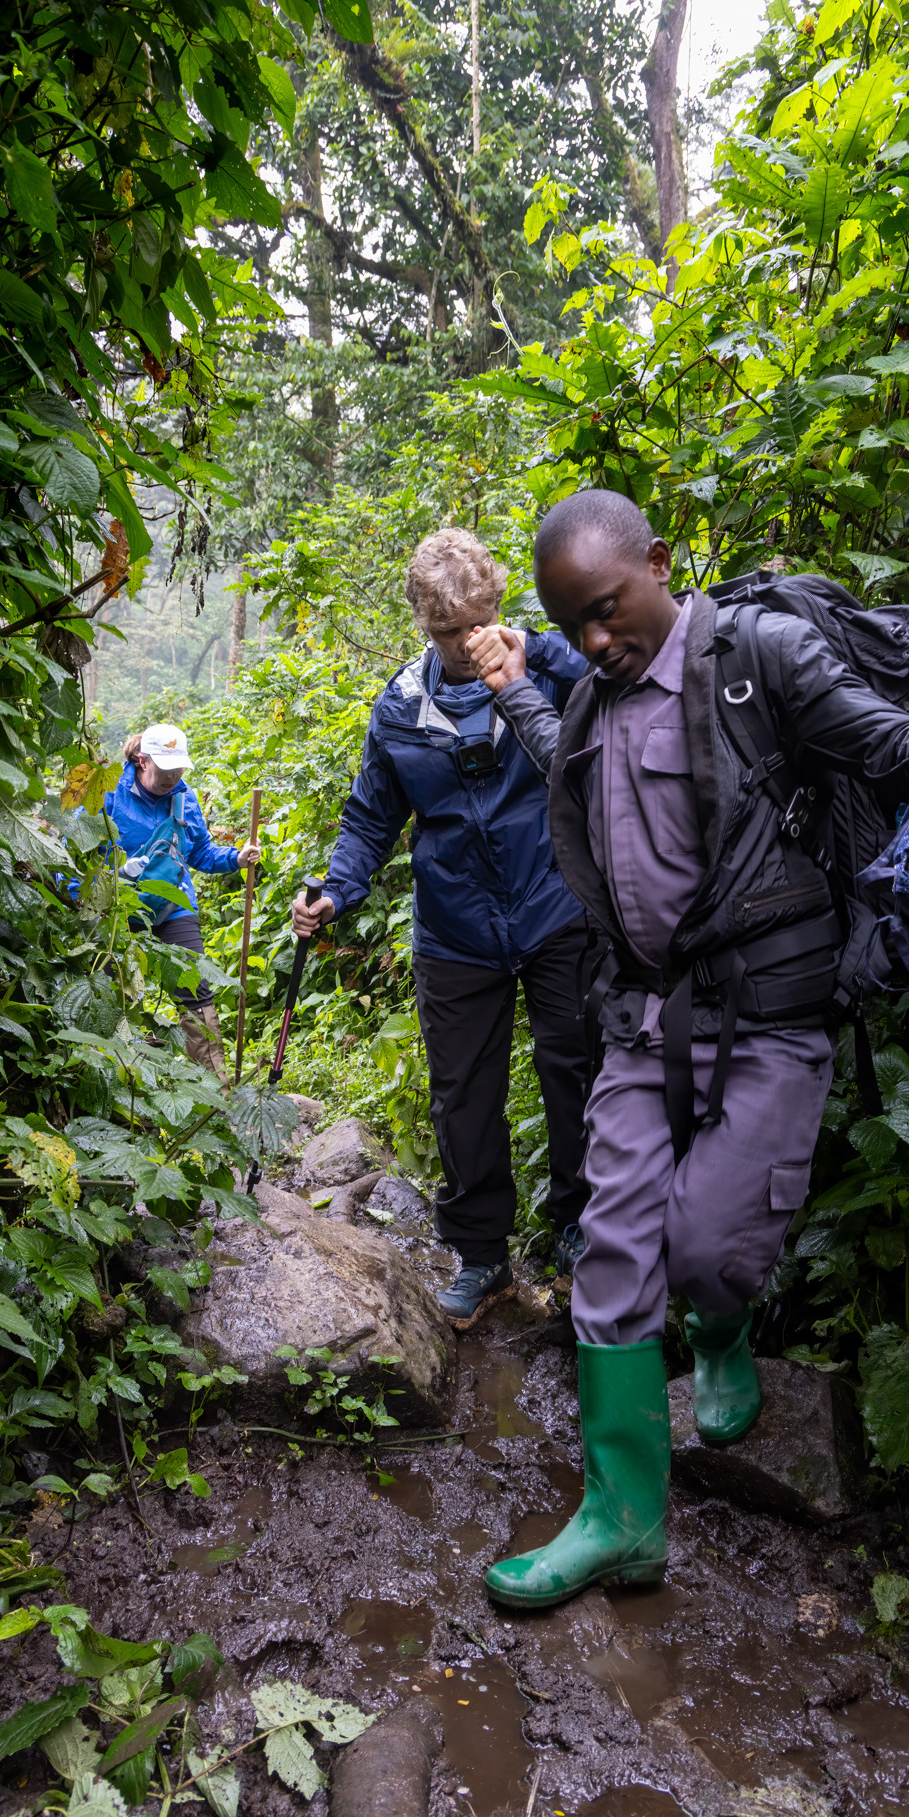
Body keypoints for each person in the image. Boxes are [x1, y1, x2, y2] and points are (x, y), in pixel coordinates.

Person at [466, 490, 909, 1609]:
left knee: (705, 1250)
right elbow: (559, 758)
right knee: (611, 1250)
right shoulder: (588, 701)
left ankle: (721, 1330)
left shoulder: (757, 657)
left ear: (657, 563)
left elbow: (894, 752)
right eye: (572, 624)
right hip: (642, 1015)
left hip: (772, 1011)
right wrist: (519, 689)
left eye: (606, 607)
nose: (595, 639)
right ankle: (621, 1521)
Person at [289, 526, 593, 1329]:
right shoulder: (400, 709)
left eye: (480, 620)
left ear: (498, 605)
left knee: (578, 1072)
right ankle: (483, 1257)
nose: (468, 641)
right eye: (450, 629)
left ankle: (581, 1237)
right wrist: (335, 892)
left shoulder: (548, 666)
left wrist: (533, 655)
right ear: (424, 625)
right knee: (463, 1096)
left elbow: (616, 685)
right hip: (456, 928)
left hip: (557, 905)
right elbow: (370, 818)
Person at [106, 723, 257, 1082]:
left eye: (178, 769)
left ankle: (215, 1091)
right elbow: (80, 852)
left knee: (194, 991)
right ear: (142, 761)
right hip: (120, 906)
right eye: (165, 768)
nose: (173, 776)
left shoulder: (184, 797)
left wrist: (236, 858)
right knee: (113, 992)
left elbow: (200, 852)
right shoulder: (110, 795)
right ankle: (123, 1084)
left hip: (174, 904)